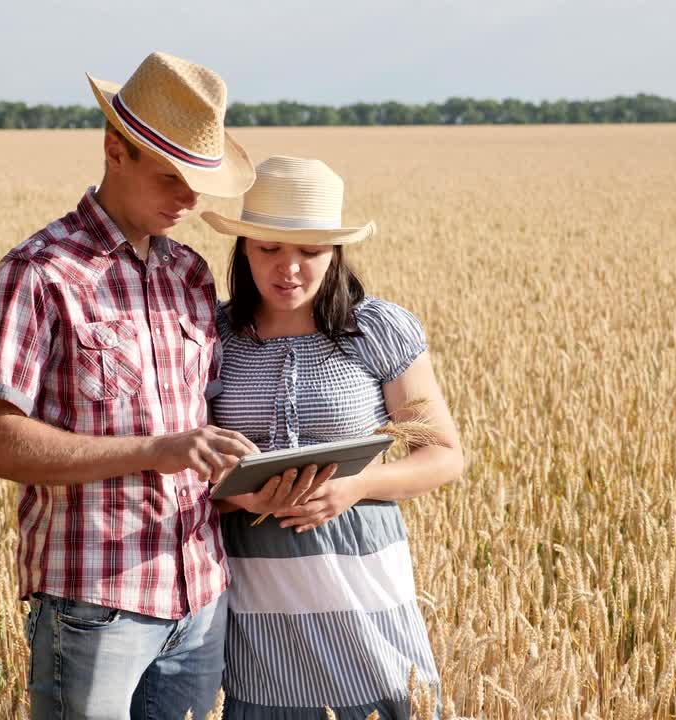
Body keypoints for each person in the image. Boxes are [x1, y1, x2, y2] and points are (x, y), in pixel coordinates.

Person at [0, 51, 258, 720]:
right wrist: (154, 451)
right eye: (171, 178)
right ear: (113, 149)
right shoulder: (39, 273)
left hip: (202, 594)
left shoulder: (190, 273)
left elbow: (201, 430)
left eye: (198, 182)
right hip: (95, 602)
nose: (189, 199)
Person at [200, 156, 465, 718]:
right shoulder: (210, 336)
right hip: (253, 601)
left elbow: (442, 454)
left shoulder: (376, 330)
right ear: (244, 246)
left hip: (363, 588)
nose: (288, 268)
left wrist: (357, 486)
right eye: (269, 248)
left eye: (309, 251)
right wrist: (235, 495)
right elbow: (185, 463)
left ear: (336, 253)